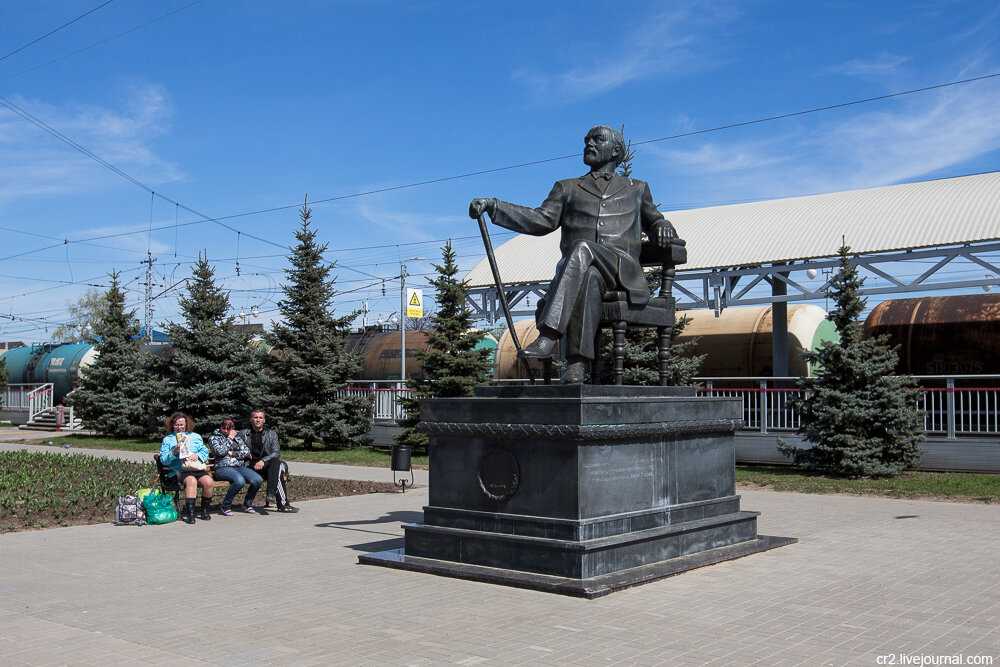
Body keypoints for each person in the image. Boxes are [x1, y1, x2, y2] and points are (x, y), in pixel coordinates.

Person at [470, 125, 676, 383]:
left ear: (616, 150)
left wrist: (662, 225)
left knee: (581, 247)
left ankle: (548, 336)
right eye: (586, 140)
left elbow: (654, 219)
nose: (588, 143)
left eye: (597, 139)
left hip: (621, 270)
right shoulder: (567, 188)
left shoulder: (637, 189)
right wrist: (495, 206)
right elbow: (540, 221)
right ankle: (577, 366)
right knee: (588, 276)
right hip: (586, 273)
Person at [159, 411, 214, 524]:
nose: (179, 427)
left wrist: (197, 455)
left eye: (182, 425)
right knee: (191, 481)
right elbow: (163, 460)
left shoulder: (195, 437)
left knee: (208, 481)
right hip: (178, 471)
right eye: (176, 425)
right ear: (172, 425)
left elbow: (204, 451)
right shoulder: (168, 439)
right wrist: (174, 452)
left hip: (193, 468)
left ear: (186, 424)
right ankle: (191, 513)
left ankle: (204, 510)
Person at [238, 410, 298, 513]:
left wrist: (262, 461)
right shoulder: (243, 434)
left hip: (265, 466)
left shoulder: (271, 434)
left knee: (275, 462)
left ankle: (271, 493)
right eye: (256, 417)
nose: (258, 420)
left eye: (260, 418)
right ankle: (281, 503)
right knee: (279, 472)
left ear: (264, 420)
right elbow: (235, 448)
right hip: (249, 466)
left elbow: (276, 453)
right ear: (251, 419)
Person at [208, 418, 263, 516]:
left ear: (232, 429)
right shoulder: (214, 438)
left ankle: (247, 504)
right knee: (239, 481)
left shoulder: (237, 437)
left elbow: (246, 452)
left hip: (238, 467)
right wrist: (229, 439)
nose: (225, 431)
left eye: (228, 429)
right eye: (223, 428)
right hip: (222, 468)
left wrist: (231, 453)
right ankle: (225, 506)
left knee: (257, 479)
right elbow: (220, 452)